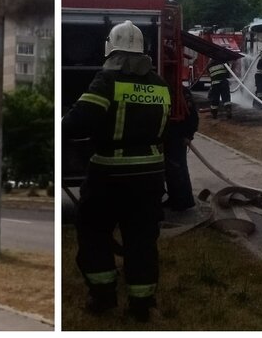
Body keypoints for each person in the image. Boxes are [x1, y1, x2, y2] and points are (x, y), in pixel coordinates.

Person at [62, 20, 170, 323]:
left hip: (109, 176)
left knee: (94, 233)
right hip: (150, 177)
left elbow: (77, 123)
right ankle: (141, 305)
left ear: (110, 48)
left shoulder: (106, 81)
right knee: (142, 240)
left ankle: (103, 297)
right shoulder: (160, 84)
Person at [163, 80, 199, 212]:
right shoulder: (180, 91)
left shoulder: (182, 92)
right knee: (170, 170)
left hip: (176, 136)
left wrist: (188, 135)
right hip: (168, 134)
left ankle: (183, 202)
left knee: (177, 169)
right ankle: (174, 198)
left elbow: (193, 116)